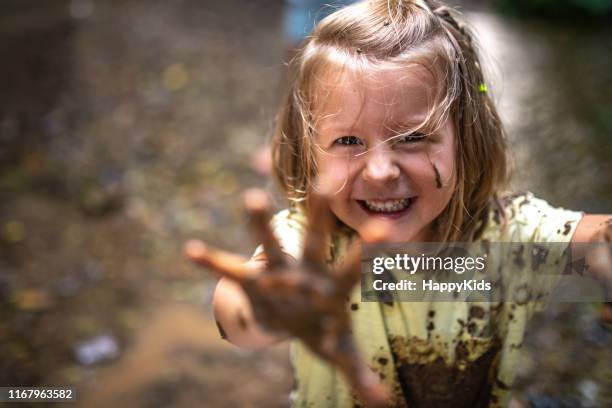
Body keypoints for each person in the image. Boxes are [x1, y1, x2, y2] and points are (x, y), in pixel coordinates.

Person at [185, 0, 612, 406]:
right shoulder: (313, 249)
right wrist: (273, 309)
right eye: (348, 141)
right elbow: (237, 318)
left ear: (466, 138)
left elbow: (595, 243)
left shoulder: (504, 243)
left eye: (412, 137)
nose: (380, 171)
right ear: (307, 150)